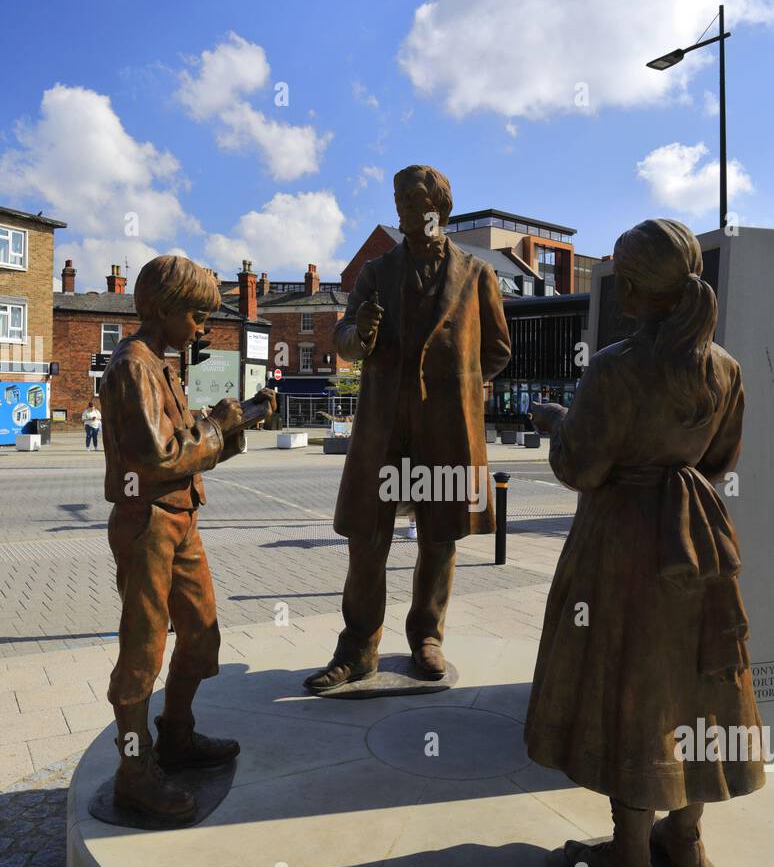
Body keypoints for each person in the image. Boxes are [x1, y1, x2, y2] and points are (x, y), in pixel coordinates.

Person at [527, 219, 765, 867]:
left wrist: (556, 424)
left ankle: (630, 863)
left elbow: (581, 466)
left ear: (633, 287)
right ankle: (685, 838)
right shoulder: (724, 368)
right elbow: (720, 460)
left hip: (624, 540)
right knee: (699, 686)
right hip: (696, 541)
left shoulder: (616, 368)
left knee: (629, 689)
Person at [304, 164, 511, 692]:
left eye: (413, 200)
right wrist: (359, 335)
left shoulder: (477, 273)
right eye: (398, 199)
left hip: (446, 430)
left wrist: (457, 387)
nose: (403, 209)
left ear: (437, 208)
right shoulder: (377, 272)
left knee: (441, 538)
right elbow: (344, 339)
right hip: (385, 426)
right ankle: (358, 649)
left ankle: (427, 637)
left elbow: (497, 351)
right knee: (367, 539)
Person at [98, 255, 276, 820]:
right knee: (142, 653)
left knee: (201, 637)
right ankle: (134, 769)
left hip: (182, 516)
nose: (204, 326)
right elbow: (161, 455)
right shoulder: (134, 366)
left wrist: (234, 421)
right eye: (198, 314)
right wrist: (221, 427)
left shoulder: (164, 364)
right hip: (147, 520)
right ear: (166, 309)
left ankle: (176, 735)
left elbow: (182, 434)